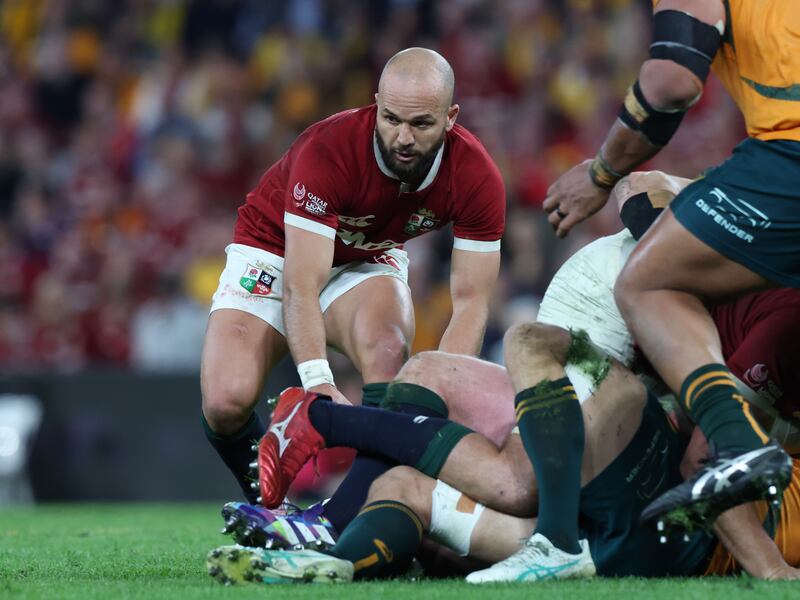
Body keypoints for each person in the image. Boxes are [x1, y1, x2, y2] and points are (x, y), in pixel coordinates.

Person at [223, 171, 800, 568]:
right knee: (524, 480)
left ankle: (330, 528)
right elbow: (710, 456)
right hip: (610, 302)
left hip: (647, 399)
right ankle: (552, 544)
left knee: (425, 393)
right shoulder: (782, 312)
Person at [206, 315, 800, 585]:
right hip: (614, 547)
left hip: (655, 515)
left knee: (531, 347)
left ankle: (321, 419)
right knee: (405, 479)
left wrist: (770, 569)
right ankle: (338, 558)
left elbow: (704, 469)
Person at [201, 47, 505, 507]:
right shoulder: (330, 149)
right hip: (275, 250)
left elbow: (471, 303)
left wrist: (441, 398)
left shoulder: (477, 176)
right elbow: (301, 282)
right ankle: (270, 510)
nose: (403, 137)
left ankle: (359, 509)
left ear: (451, 117)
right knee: (225, 403)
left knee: (387, 349)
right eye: (391, 119)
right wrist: (317, 382)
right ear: (376, 103)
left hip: (367, 256)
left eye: (421, 124)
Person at [541, 0, 799, 530]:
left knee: (647, 283)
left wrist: (600, 174)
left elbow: (672, 80)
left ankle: (736, 442)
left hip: (789, 151)